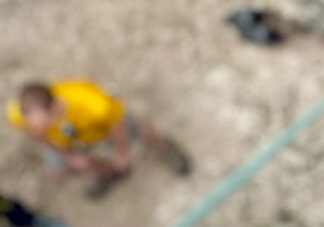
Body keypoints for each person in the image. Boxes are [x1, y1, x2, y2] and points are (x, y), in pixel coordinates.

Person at [6, 80, 192, 191]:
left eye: (45, 123)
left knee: (140, 129)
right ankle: (112, 172)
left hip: (102, 128)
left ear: (55, 106)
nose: (42, 128)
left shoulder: (93, 103)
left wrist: (122, 152)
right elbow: (37, 134)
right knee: (62, 168)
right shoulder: (19, 114)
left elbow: (117, 124)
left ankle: (164, 147)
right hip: (71, 139)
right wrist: (69, 156)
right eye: (35, 125)